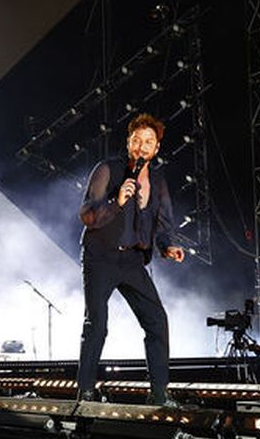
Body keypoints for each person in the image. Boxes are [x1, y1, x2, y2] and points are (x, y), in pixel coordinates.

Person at [76, 113, 185, 405]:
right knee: (97, 323)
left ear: (157, 148)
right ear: (128, 143)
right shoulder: (108, 170)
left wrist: (167, 248)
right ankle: (85, 390)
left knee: (157, 321)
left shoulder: (158, 181)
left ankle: (159, 392)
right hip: (101, 256)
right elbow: (86, 214)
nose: (142, 145)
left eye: (148, 141)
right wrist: (116, 202)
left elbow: (163, 225)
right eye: (136, 140)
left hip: (133, 261)